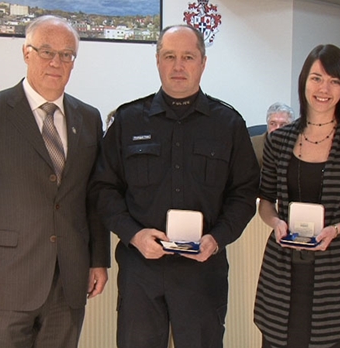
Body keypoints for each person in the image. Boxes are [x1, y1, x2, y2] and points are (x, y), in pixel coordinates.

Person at [89, 24, 259, 348]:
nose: (178, 66)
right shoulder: (128, 121)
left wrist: (217, 239)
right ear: (157, 61)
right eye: (170, 56)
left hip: (202, 269)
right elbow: (103, 188)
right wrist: (134, 235)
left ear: (203, 63)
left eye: (188, 57)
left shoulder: (228, 124)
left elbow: (244, 193)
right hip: (142, 267)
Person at [0, 15, 109, 347]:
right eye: (47, 51)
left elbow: (93, 197)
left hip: (69, 279)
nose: (56, 61)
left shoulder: (89, 118)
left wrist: (98, 259)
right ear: (26, 53)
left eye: (67, 54)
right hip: (4, 279)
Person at [253, 44, 340, 348]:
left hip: (337, 276)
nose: (324, 88)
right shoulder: (279, 141)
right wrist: (276, 222)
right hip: (283, 273)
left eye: (334, 81)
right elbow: (265, 202)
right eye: (317, 78)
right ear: (304, 81)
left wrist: (338, 229)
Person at [251, 102, 295, 167]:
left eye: (283, 124)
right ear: (268, 124)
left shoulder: (298, 146)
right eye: (273, 123)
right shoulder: (252, 144)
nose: (277, 129)